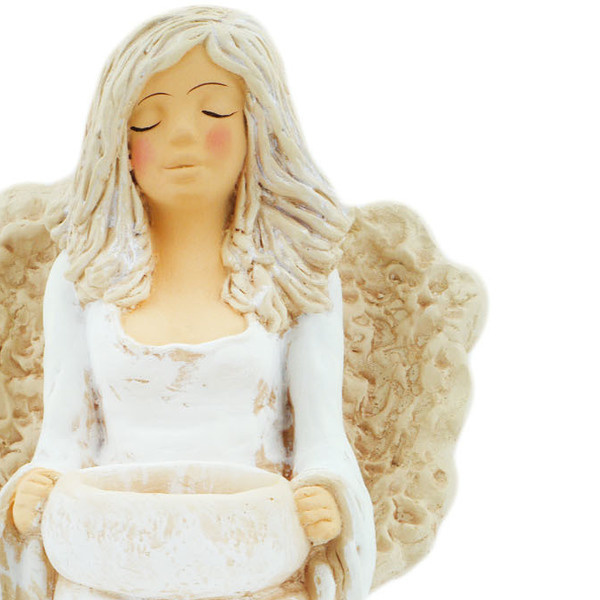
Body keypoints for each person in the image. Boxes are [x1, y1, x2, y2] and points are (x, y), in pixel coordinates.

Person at [0, 6, 376, 600]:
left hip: (250, 555)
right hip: (112, 554)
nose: (181, 135)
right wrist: (38, 486)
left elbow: (323, 441)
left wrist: (326, 494)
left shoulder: (296, 274)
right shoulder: (83, 276)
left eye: (214, 111)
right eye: (149, 119)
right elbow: (64, 439)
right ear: (119, 142)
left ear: (258, 127)